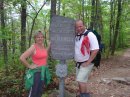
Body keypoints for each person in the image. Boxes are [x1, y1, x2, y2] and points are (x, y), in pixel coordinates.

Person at [20, 31, 51, 97]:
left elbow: (45, 53)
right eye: (38, 37)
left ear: (43, 38)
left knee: (40, 91)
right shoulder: (33, 47)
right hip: (36, 73)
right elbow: (22, 58)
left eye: (42, 37)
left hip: (43, 72)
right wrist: (29, 66)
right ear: (35, 38)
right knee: (34, 92)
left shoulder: (42, 46)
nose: (40, 38)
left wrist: (49, 46)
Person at [75, 20, 99, 97]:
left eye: (80, 26)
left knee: (80, 80)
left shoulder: (90, 35)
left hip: (87, 62)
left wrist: (88, 62)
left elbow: (95, 49)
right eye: (77, 27)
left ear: (84, 25)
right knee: (82, 81)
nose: (79, 28)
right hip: (78, 63)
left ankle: (84, 95)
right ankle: (84, 94)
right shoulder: (77, 35)